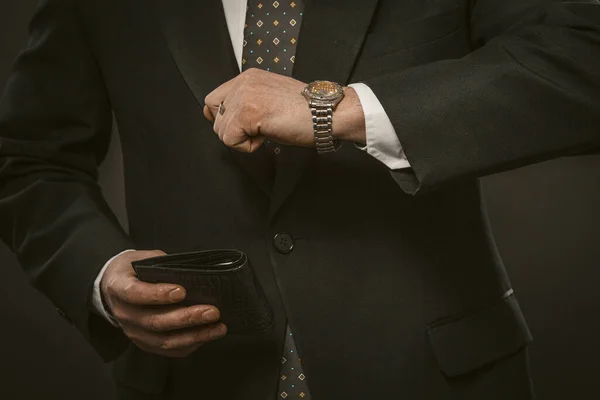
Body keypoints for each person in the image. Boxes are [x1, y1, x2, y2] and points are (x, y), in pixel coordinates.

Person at [1, 0, 599, 398]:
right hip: (195, 379)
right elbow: (26, 157)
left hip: (438, 376)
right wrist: (99, 275)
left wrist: (342, 110)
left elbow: (582, 55)